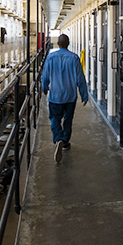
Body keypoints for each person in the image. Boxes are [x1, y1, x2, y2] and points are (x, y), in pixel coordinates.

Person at [41, 34, 88, 163]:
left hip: (55, 96)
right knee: (68, 119)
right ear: (68, 43)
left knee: (55, 118)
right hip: (70, 96)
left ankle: (58, 138)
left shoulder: (50, 58)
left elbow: (45, 76)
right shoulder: (74, 58)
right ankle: (65, 142)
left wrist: (44, 88)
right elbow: (80, 79)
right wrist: (84, 95)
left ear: (57, 43)